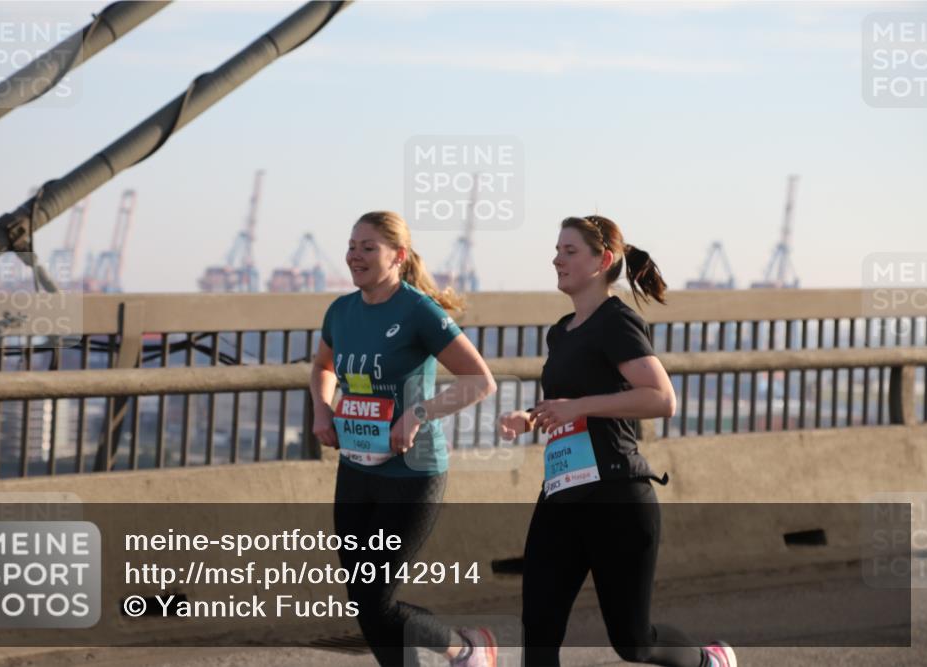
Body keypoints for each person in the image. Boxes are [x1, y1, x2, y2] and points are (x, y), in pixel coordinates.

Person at [500, 215, 737, 667]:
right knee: (538, 630)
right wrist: (530, 417)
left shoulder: (616, 321)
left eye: (570, 251)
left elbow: (661, 399)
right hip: (562, 492)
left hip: (615, 494)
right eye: (557, 250)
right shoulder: (562, 330)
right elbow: (566, 404)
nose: (557, 259)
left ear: (603, 260)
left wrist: (579, 406)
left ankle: (708, 661)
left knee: (633, 641)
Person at [310, 211, 499, 667]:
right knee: (364, 600)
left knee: (376, 599)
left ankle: (467, 649)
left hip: (412, 471)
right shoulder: (341, 311)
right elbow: (323, 367)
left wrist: (417, 414)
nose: (355, 255)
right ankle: (462, 649)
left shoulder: (418, 312)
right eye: (352, 245)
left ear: (398, 256)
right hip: (356, 468)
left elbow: (480, 381)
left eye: (368, 247)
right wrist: (322, 410)